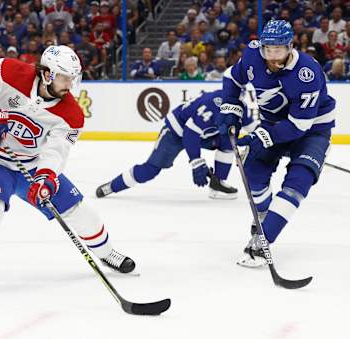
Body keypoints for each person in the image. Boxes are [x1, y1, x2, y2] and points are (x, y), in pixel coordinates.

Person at [0, 45, 136, 301]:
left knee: (82, 213)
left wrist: (46, 178)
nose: (70, 84)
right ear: (48, 74)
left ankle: (107, 253)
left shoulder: (72, 113)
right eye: (65, 77)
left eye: (72, 78)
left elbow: (56, 151)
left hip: (31, 167)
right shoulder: (11, 71)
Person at [216, 20, 336, 267]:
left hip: (312, 129)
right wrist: (230, 109)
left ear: (290, 46)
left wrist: (262, 136)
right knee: (252, 173)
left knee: (298, 182)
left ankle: (264, 239)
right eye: (267, 48)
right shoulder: (252, 55)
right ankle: (264, 214)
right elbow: (232, 77)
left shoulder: (307, 73)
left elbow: (299, 125)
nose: (271, 55)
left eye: (278, 49)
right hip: (273, 122)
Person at [95, 89, 256, 200]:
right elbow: (190, 134)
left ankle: (217, 183)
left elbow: (254, 129)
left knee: (229, 139)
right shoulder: (211, 105)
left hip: (204, 134)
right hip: (176, 132)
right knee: (151, 169)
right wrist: (196, 161)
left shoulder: (241, 108)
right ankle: (112, 186)